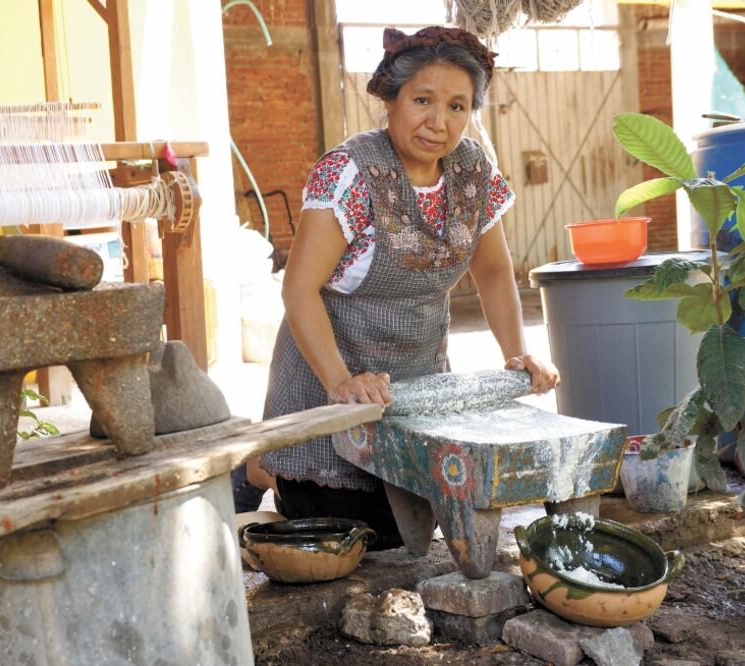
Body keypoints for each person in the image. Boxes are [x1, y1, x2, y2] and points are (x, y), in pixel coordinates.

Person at [236, 26, 559, 547]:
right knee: (364, 531)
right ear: (391, 99)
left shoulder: (473, 170)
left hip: (417, 384)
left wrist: (518, 354)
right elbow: (299, 289)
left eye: (458, 106)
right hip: (329, 377)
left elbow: (494, 271)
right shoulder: (350, 172)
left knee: (424, 520)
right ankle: (264, 468)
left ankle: (265, 468)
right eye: (423, 100)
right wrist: (342, 383)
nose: (439, 122)